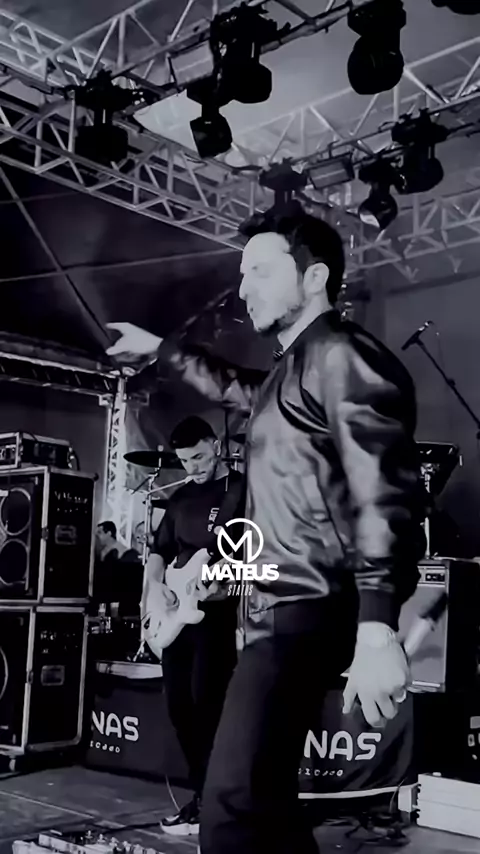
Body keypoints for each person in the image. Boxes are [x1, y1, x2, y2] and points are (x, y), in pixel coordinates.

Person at [107, 202, 425, 854]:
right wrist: (161, 350)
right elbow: (227, 385)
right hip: (271, 607)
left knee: (232, 811)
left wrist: (376, 627)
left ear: (315, 276)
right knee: (268, 808)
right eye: (241, 273)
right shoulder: (291, 369)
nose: (243, 287)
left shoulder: (340, 354)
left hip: (305, 609)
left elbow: (382, 492)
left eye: (259, 270)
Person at [140, 416, 242, 837]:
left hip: (216, 615)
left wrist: (225, 581)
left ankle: (218, 802)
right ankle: (203, 796)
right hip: (176, 615)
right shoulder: (181, 497)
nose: (193, 467)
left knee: (208, 707)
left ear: (216, 445)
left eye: (199, 457)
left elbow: (259, 556)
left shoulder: (242, 492)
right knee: (180, 709)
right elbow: (159, 551)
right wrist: (154, 587)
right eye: (185, 461)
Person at [94, 521, 142, 616]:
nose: (97, 537)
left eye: (100, 533)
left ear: (109, 533)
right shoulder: (102, 552)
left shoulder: (123, 552)